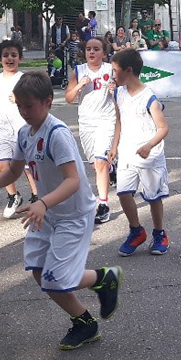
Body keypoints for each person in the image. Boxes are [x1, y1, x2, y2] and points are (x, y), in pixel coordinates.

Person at [0, 71, 122, 351]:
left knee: (58, 279)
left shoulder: (57, 134)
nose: (23, 111)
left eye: (29, 106)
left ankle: (103, 278)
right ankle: (84, 322)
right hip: (47, 212)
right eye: (19, 105)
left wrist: (42, 202)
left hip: (72, 214)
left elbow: (73, 180)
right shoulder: (24, 133)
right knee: (39, 271)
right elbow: (15, 170)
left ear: (48, 102)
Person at [109, 48, 171, 257]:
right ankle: (136, 231)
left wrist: (149, 145)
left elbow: (163, 128)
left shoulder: (149, 98)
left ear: (128, 71)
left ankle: (159, 233)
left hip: (148, 155)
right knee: (123, 192)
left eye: (115, 70)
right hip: (127, 151)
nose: (112, 75)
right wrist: (114, 146)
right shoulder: (118, 93)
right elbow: (119, 120)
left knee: (153, 197)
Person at [65, 37, 117, 224]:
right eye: (88, 49)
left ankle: (103, 205)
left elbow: (124, 90)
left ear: (104, 53)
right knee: (96, 165)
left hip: (106, 119)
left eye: (96, 49)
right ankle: (112, 169)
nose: (92, 52)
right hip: (86, 122)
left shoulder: (111, 70)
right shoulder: (79, 71)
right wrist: (80, 85)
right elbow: (69, 98)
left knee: (100, 162)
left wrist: (115, 89)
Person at [0, 39, 39, 217]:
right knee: (1, 165)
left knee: (28, 167)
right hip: (3, 128)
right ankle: (13, 196)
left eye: (13, 55)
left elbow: (33, 99)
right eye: (6, 55)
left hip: (22, 128)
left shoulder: (23, 79)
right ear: (0, 58)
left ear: (20, 58)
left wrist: (19, 99)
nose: (9, 59)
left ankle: (37, 195)